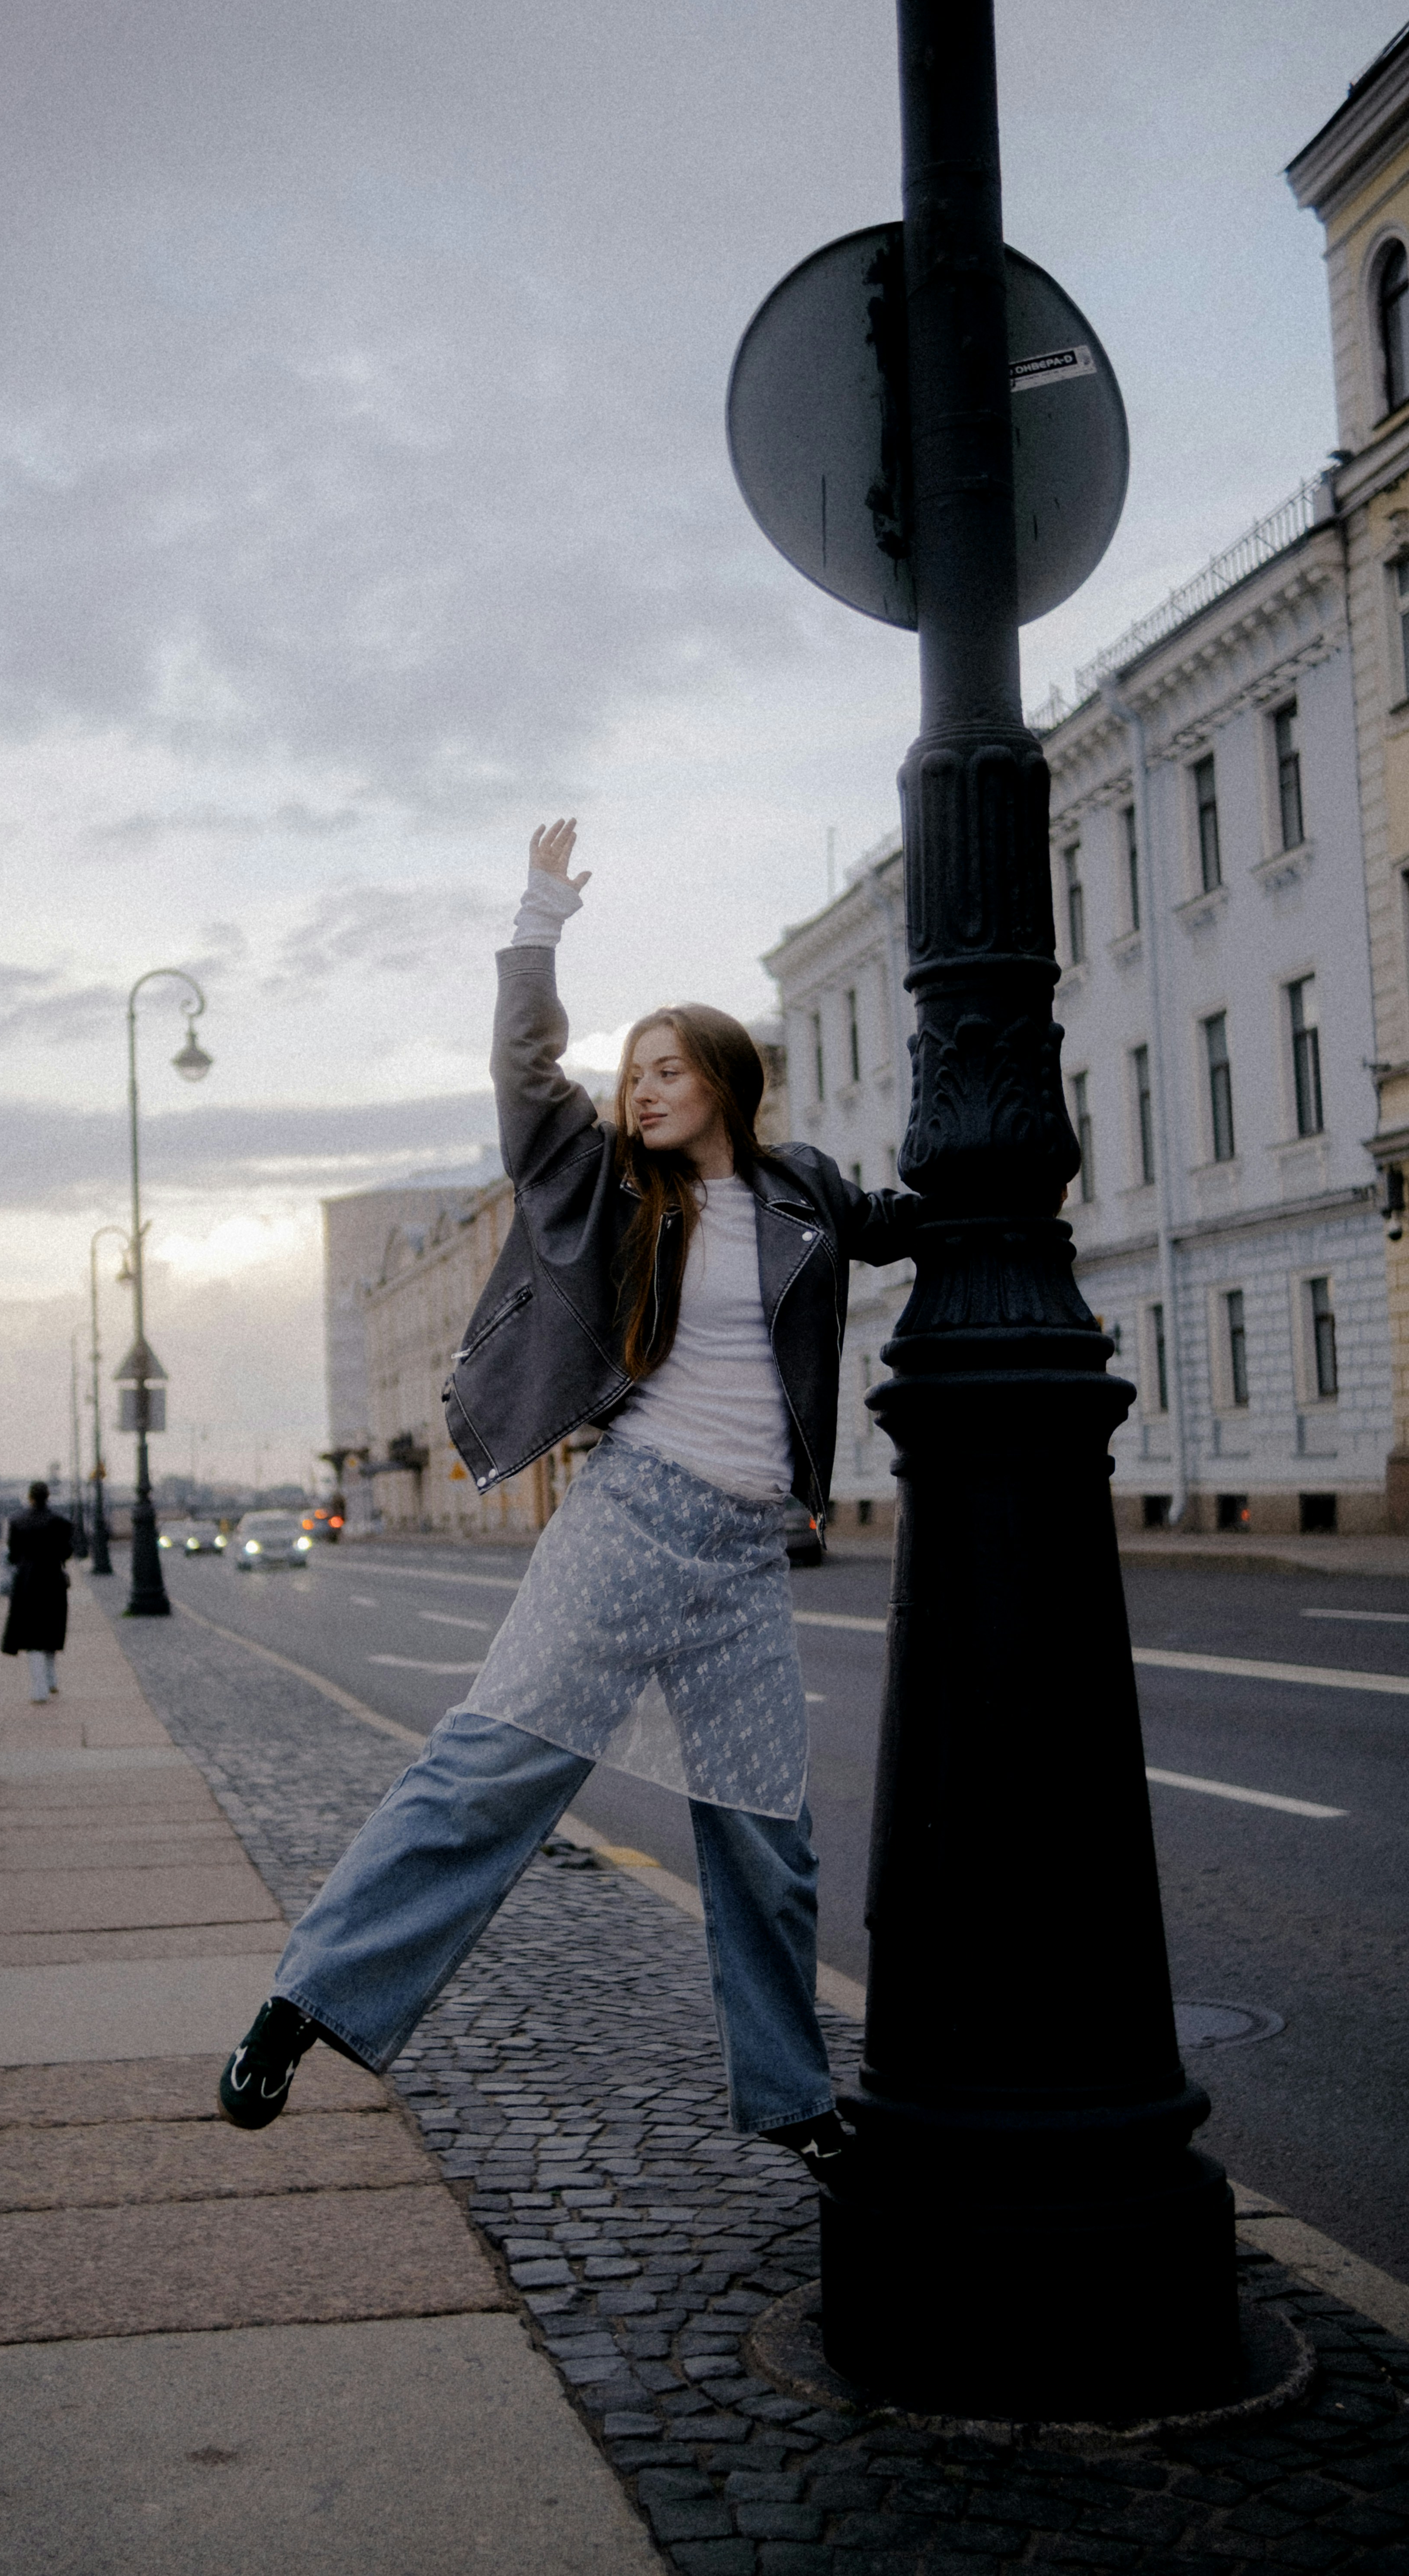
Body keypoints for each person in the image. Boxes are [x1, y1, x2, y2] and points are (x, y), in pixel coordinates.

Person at [218, 820, 922, 2184]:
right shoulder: (597, 1178)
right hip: (630, 1519)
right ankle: (301, 2003)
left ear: (725, 1078)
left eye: (669, 1069)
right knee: (489, 1776)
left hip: (742, 1554)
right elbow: (526, 1070)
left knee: (766, 1833)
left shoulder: (802, 1191)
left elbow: (905, 1218)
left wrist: (1012, 1192)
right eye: (634, 1070)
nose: (644, 1088)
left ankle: (792, 2099)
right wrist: (540, 921)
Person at [0, 1480, 75, 1702]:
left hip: (27, 1582)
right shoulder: (60, 1523)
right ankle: (52, 1679)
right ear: (48, 1497)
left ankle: (39, 1687)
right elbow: (67, 1552)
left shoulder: (17, 1521)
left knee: (32, 1635)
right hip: (53, 1580)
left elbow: (13, 1555)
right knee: (51, 1629)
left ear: (30, 1498)